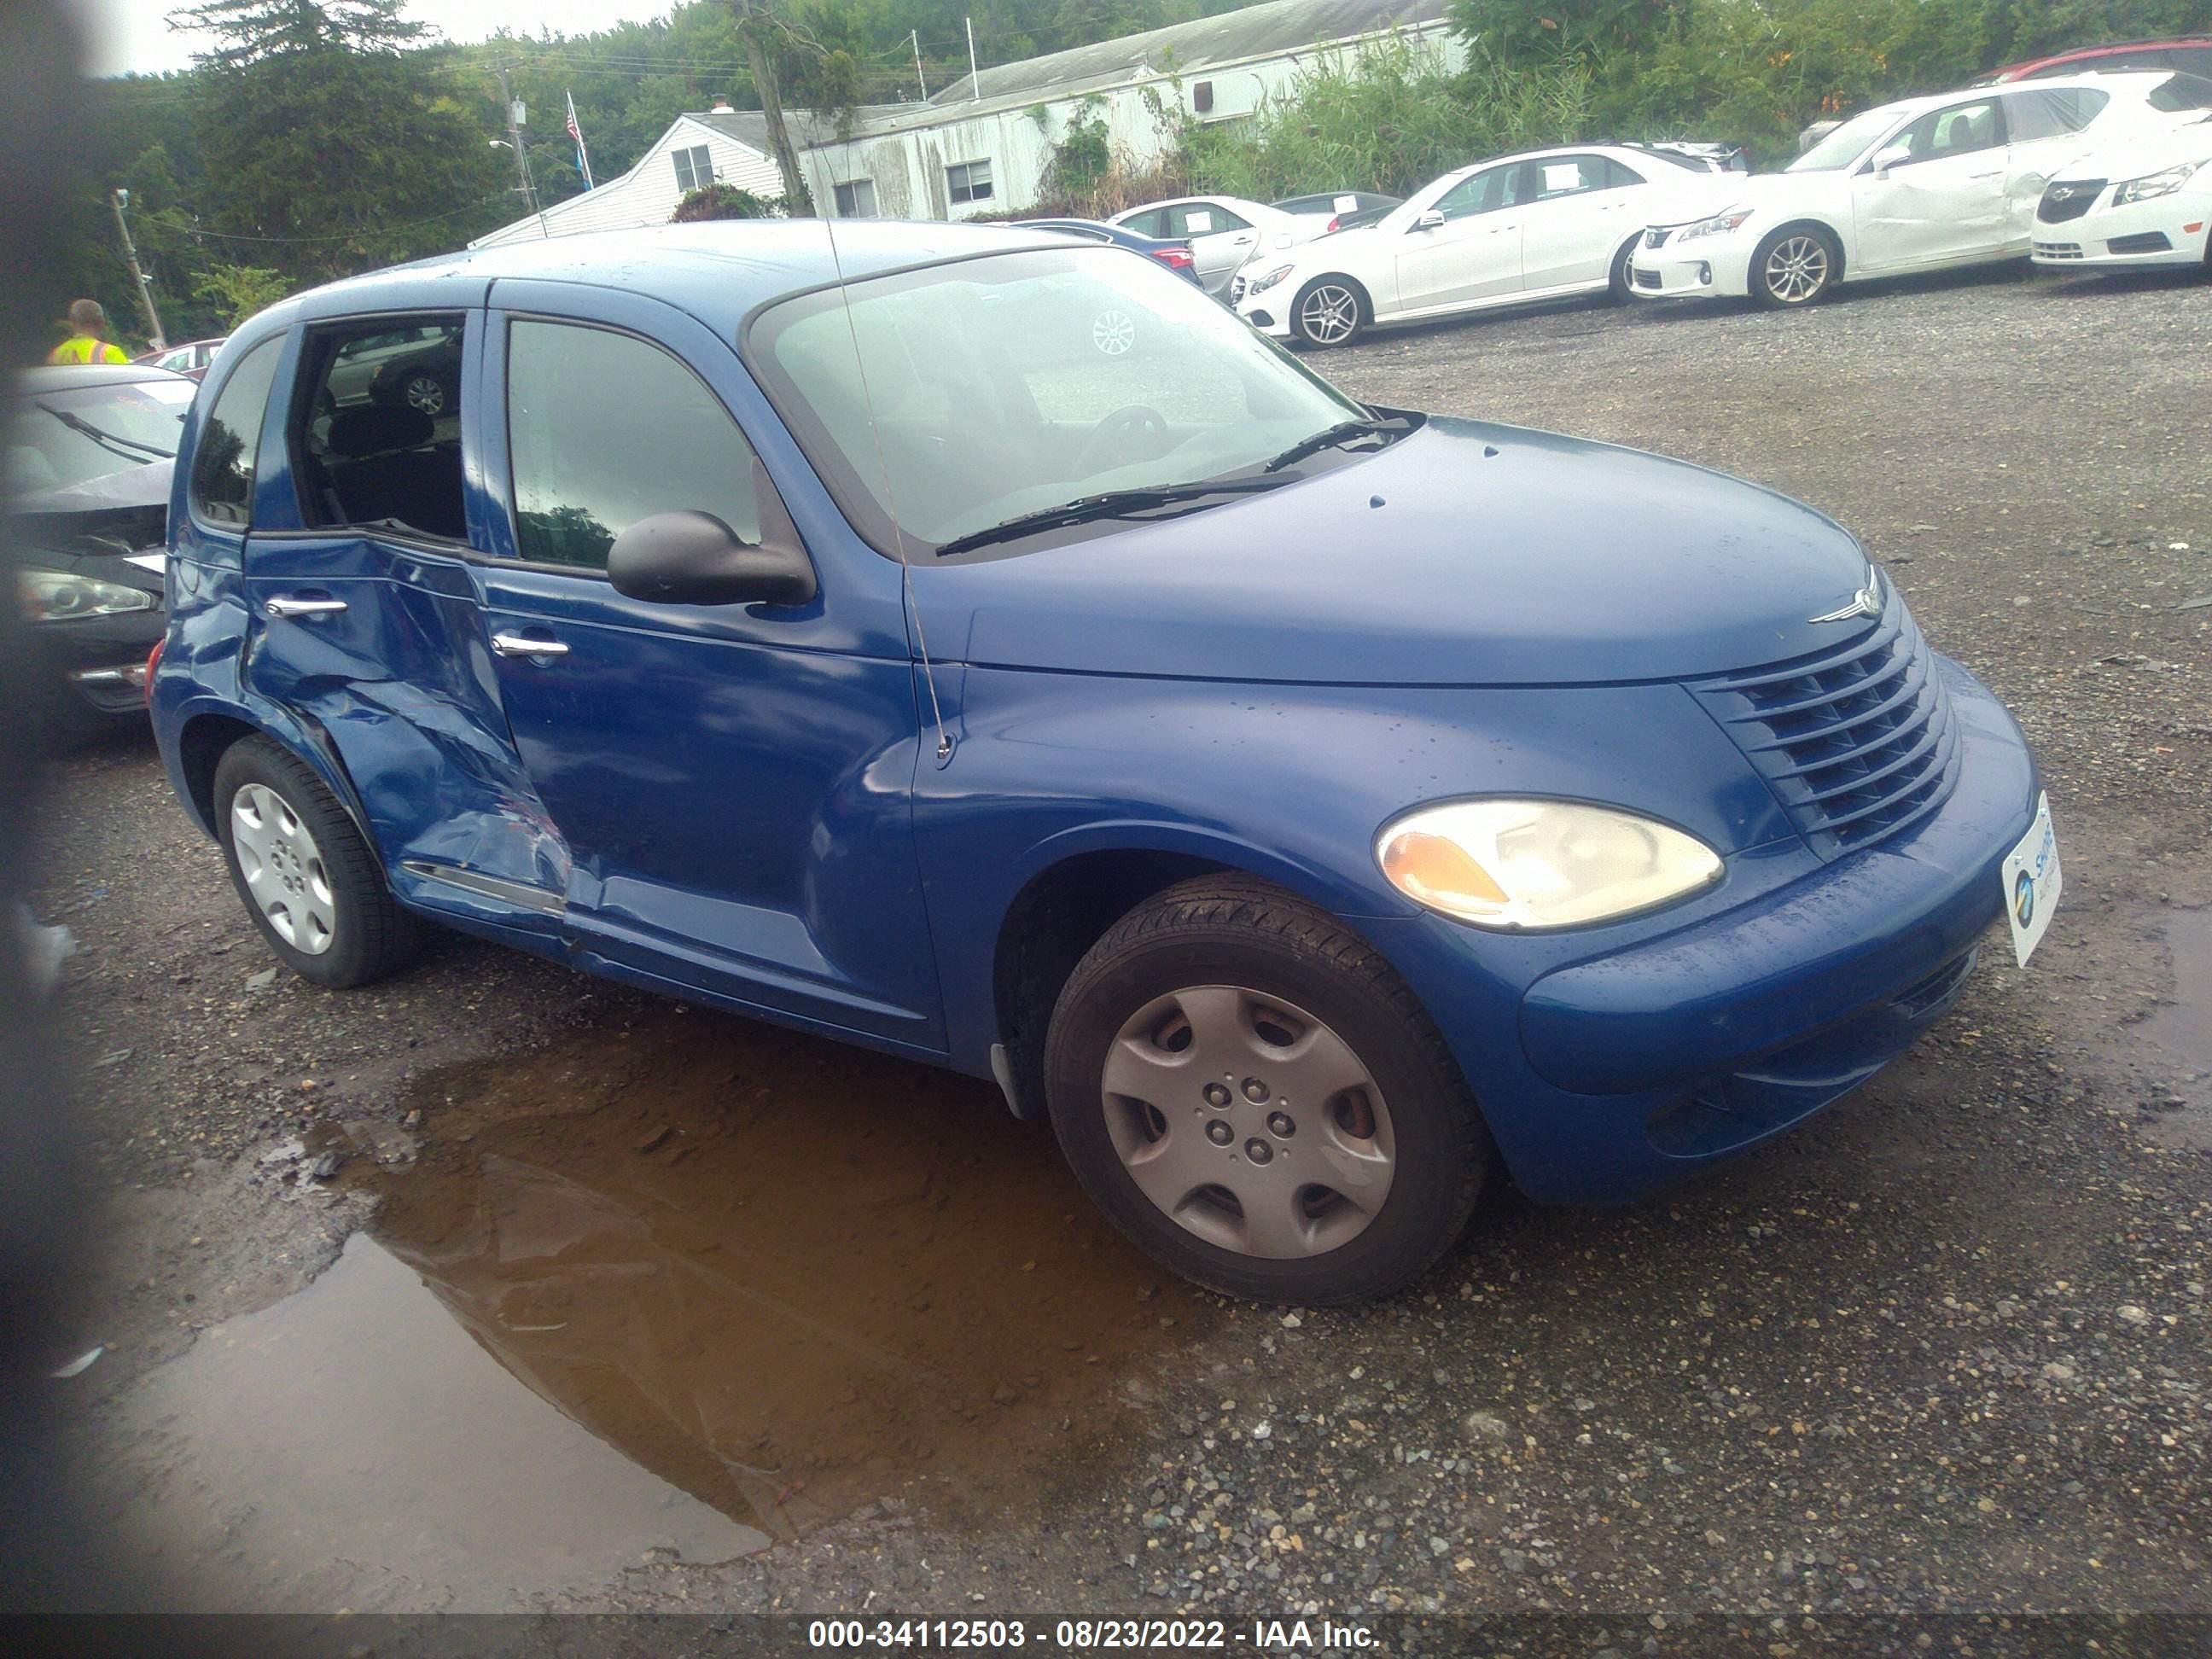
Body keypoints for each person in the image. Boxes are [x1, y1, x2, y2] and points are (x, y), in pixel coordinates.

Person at [45, 298, 129, 364]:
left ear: (73, 322)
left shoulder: (55, 354)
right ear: (101, 323)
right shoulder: (108, 352)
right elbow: (128, 382)